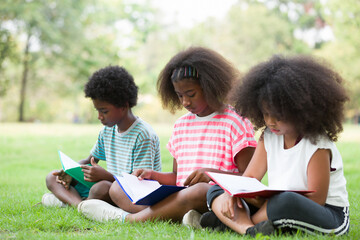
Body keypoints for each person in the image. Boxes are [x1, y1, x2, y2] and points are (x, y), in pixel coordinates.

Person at [77, 46, 257, 224]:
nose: (185, 102)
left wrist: (212, 174)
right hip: (180, 195)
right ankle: (181, 216)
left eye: (191, 94)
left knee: (200, 190)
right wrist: (153, 175)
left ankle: (130, 219)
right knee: (117, 188)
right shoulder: (181, 125)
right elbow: (177, 177)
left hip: (215, 197)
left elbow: (249, 179)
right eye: (179, 95)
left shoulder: (236, 121)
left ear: (210, 86)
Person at [205, 55, 350, 236]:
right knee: (217, 190)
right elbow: (249, 178)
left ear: (300, 110)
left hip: (327, 215)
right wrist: (231, 193)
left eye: (278, 115)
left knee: (284, 201)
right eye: (265, 113)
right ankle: (248, 229)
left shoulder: (317, 144)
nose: (270, 121)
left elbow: (317, 199)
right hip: (275, 205)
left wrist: (262, 202)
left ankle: (228, 222)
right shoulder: (268, 136)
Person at [42, 65, 161, 208]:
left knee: (101, 188)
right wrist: (70, 172)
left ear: (123, 105)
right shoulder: (107, 132)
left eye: (104, 111)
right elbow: (89, 160)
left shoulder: (143, 135)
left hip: (129, 193)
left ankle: (76, 203)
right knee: (52, 177)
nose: (99, 116)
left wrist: (106, 176)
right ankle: (81, 205)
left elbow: (140, 183)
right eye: (97, 110)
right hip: (107, 185)